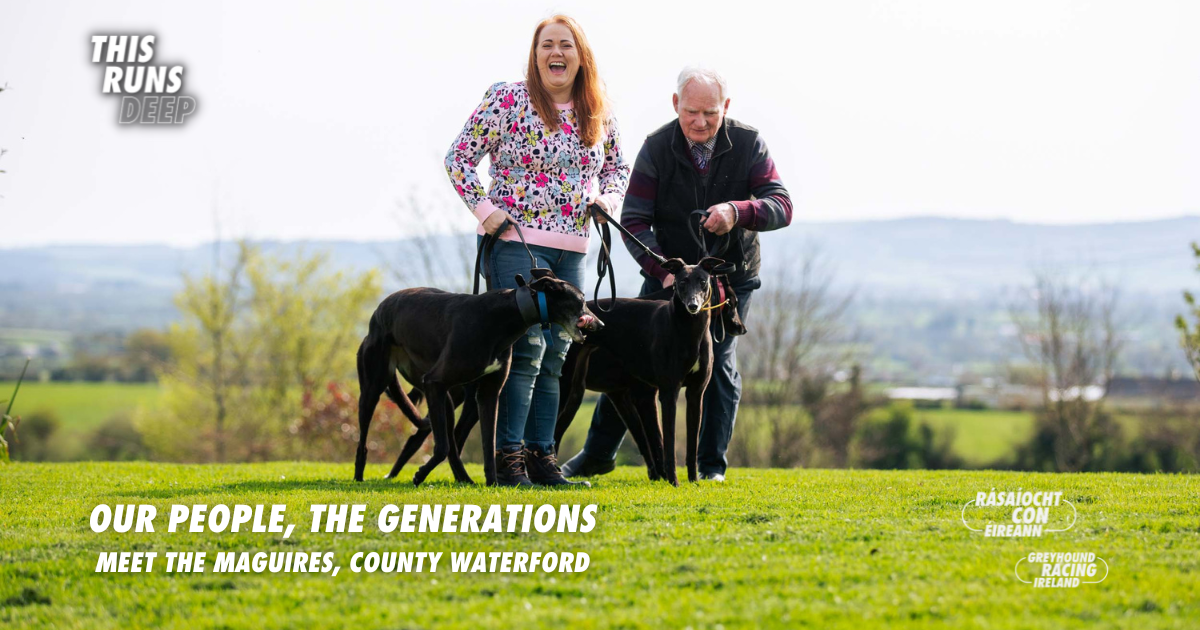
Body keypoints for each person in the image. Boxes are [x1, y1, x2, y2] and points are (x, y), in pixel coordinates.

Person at [562, 67, 792, 482]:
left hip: (728, 278)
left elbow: (781, 205)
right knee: (627, 359)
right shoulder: (656, 148)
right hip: (666, 278)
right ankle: (598, 454)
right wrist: (662, 271)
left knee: (716, 364)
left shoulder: (749, 143)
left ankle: (709, 469)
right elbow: (633, 220)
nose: (700, 122)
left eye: (710, 112)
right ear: (675, 105)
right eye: (691, 112)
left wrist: (737, 212)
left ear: (725, 107)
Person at [444, 15, 629, 486]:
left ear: (580, 55)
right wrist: (486, 212)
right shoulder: (508, 99)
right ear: (536, 53)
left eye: (566, 45)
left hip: (575, 252)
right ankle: (509, 463)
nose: (557, 53)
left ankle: (542, 460)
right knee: (524, 352)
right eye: (547, 45)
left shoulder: (598, 108)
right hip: (516, 247)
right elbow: (459, 158)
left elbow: (617, 170)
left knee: (557, 355)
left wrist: (605, 201)